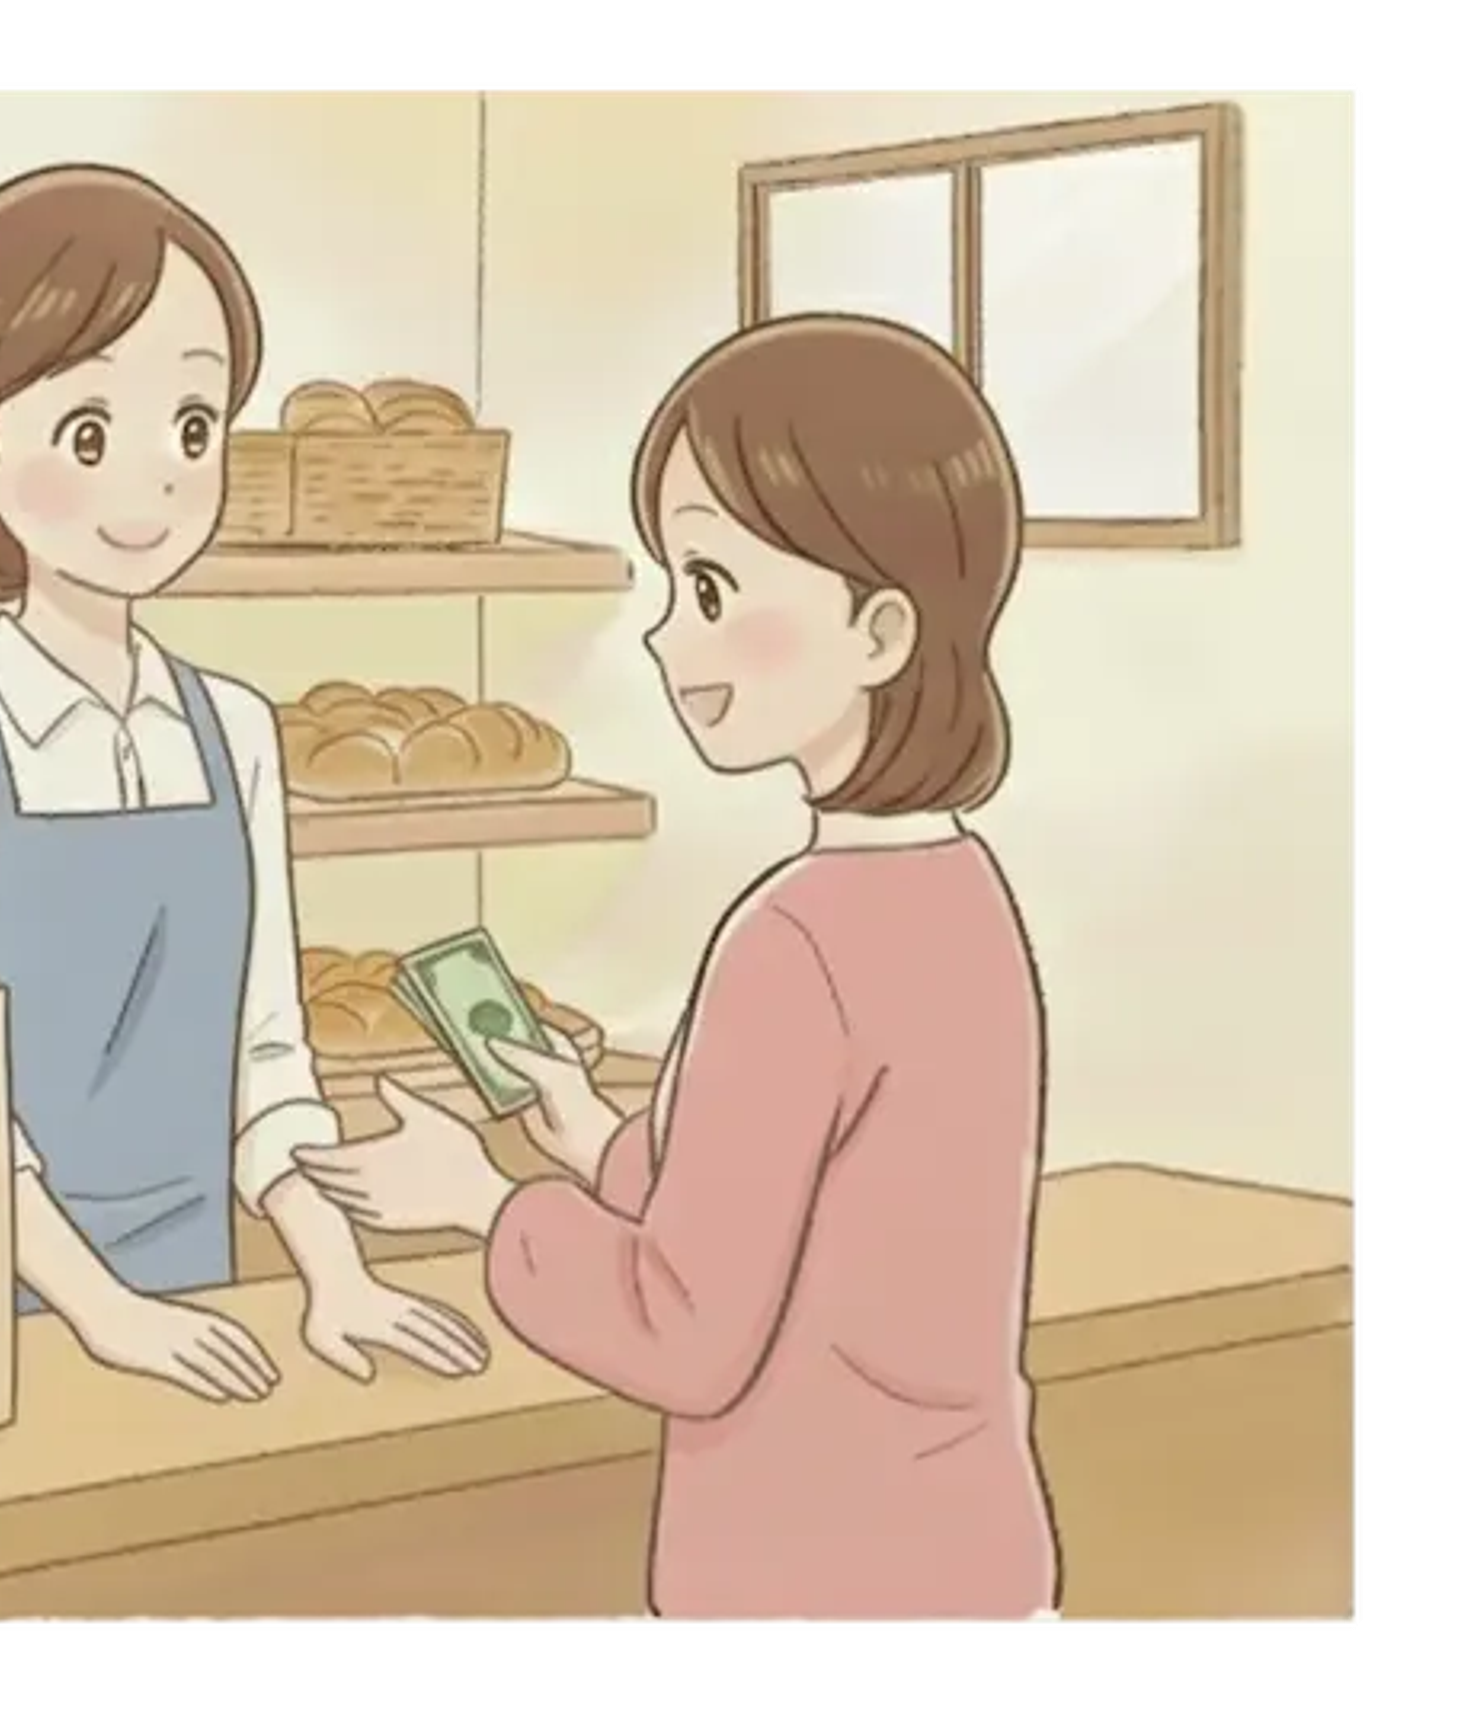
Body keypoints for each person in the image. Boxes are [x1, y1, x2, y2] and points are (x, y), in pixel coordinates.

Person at [292, 316, 1061, 1621]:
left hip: (803, 1574)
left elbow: (686, 1332)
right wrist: (593, 1135)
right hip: (971, 1552)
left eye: (709, 590)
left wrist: (484, 1202)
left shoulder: (793, 943)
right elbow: (804, 1221)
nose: (664, 638)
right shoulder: (967, 900)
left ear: (877, 632)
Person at [0, 164, 490, 1402]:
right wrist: (102, 1312)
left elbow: (266, 1060)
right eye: (89, 433)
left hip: (203, 1290)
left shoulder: (235, 729)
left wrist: (332, 1268)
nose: (154, 479)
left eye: (191, 429)